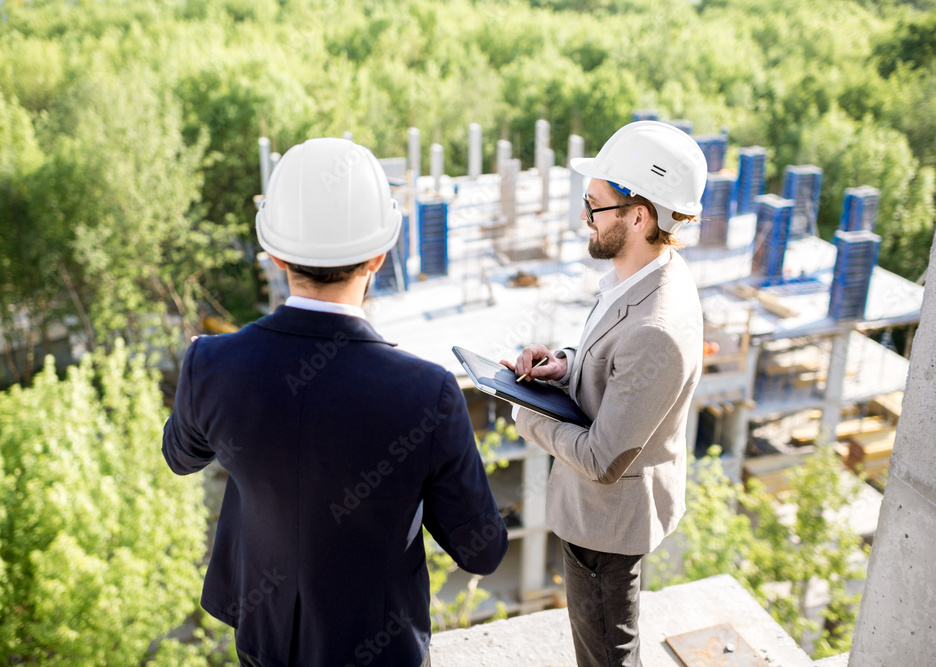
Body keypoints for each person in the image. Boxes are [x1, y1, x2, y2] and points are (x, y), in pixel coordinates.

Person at [163, 138, 508, 667]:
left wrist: (201, 382)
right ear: (380, 254)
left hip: (266, 636)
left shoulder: (211, 363)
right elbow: (481, 551)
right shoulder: (428, 392)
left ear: (274, 254)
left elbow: (180, 457)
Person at [502, 121, 707, 667]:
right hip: (601, 515)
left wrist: (524, 412)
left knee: (606, 657)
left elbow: (601, 458)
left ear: (638, 216)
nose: (582, 218)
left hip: (608, 524)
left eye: (593, 206)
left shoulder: (658, 327)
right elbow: (613, 360)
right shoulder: (642, 276)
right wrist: (564, 366)